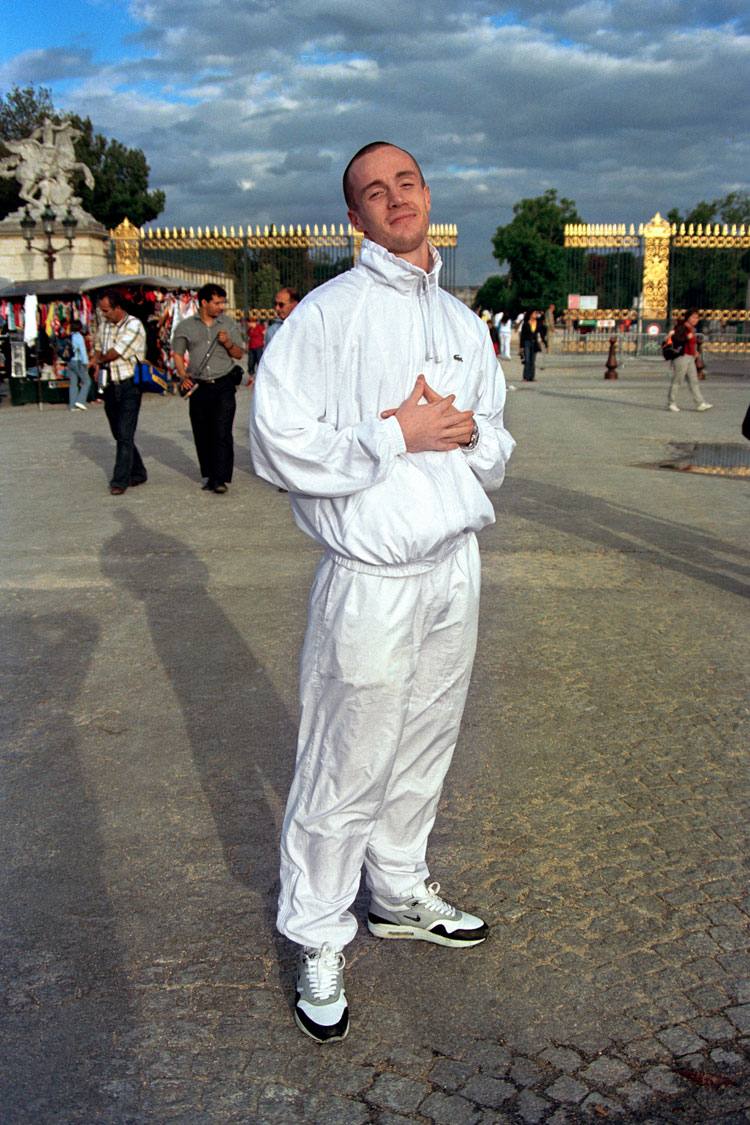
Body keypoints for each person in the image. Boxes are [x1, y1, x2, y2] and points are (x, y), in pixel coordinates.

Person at [250, 141, 515, 1044]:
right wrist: (391, 433)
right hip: (370, 575)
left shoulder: (463, 321)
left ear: (427, 195)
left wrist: (469, 431)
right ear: (354, 218)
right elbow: (279, 446)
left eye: (406, 182)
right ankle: (319, 929)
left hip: (453, 566)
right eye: (374, 191)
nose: (394, 199)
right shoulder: (324, 319)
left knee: (425, 741)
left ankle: (399, 885)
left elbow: (497, 446)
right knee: (345, 758)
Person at [172, 283, 246, 494]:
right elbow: (177, 354)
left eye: (223, 302)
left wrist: (228, 343)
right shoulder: (185, 327)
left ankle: (220, 478)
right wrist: (182, 375)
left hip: (223, 383)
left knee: (221, 431)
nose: (221, 306)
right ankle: (209, 475)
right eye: (217, 302)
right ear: (203, 302)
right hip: (199, 385)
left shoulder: (229, 324)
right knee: (202, 431)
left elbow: (239, 354)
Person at [89, 290, 148, 495]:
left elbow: (115, 353)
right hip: (110, 384)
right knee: (119, 433)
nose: (103, 315)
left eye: (106, 311)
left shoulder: (134, 325)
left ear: (118, 308)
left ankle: (119, 480)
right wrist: (93, 361)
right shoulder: (104, 325)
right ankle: (139, 471)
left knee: (124, 433)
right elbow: (99, 346)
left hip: (130, 384)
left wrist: (99, 360)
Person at [666, 308, 712, 412]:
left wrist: (695, 350)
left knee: (694, 380)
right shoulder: (682, 327)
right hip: (681, 357)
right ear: (688, 318)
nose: (696, 320)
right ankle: (671, 402)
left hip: (690, 357)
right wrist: (686, 338)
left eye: (697, 318)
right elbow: (675, 339)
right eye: (693, 317)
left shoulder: (691, 328)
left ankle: (700, 403)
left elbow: (691, 342)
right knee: (678, 380)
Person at [66, 319, 91, 411]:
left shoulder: (69, 336)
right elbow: (83, 351)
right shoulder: (79, 337)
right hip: (77, 361)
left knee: (73, 384)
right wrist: (86, 362)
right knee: (86, 381)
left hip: (70, 361)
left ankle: (72, 405)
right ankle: (80, 401)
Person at [520, 309, 543, 382]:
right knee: (527, 360)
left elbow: (541, 333)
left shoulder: (538, 323)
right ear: (530, 314)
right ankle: (525, 377)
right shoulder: (526, 323)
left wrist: (545, 343)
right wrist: (521, 346)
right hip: (527, 342)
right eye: (534, 313)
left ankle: (531, 377)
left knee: (533, 360)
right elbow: (522, 335)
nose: (536, 315)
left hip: (534, 343)